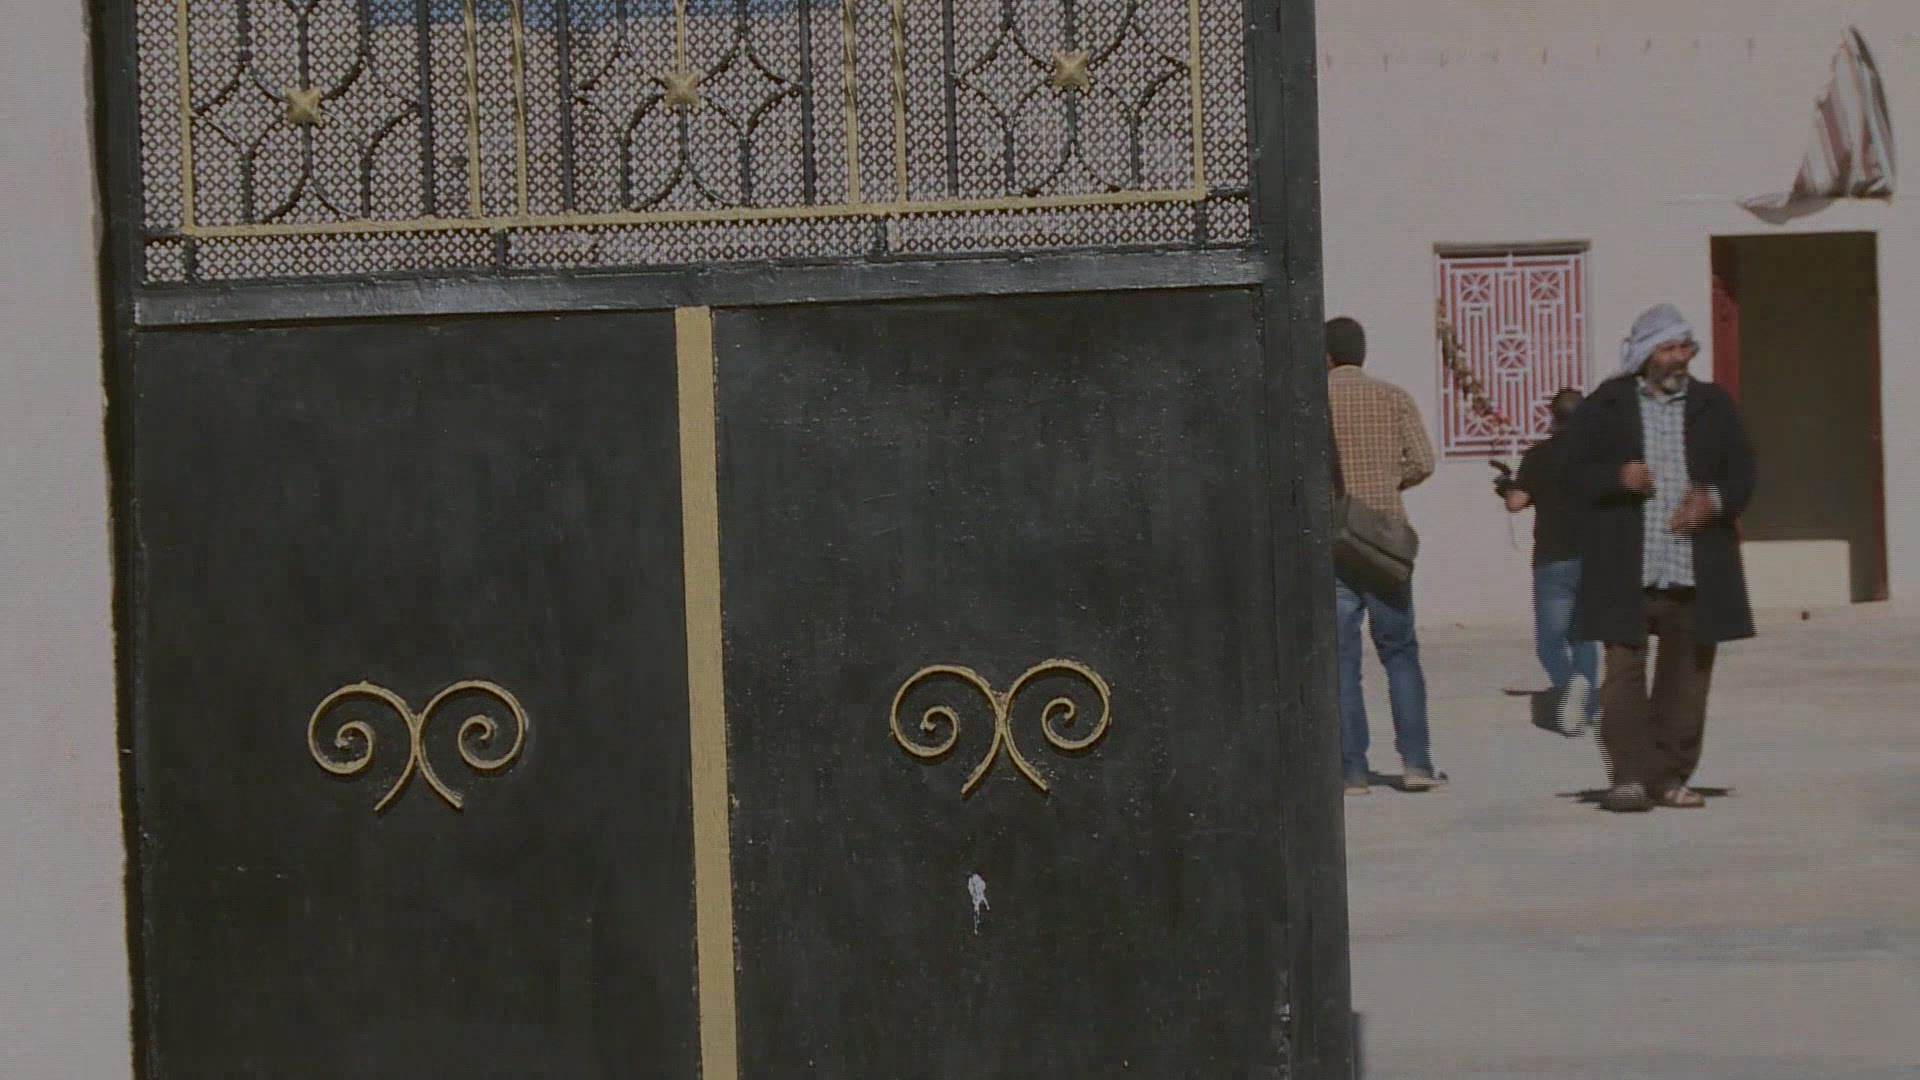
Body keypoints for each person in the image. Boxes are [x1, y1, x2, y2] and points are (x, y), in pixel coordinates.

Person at [1565, 303, 1756, 812]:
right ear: (1647, 354)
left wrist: (1714, 501)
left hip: (1694, 568)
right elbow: (1571, 473)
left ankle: (1668, 777)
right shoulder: (1607, 405)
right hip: (1626, 568)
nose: (1679, 358)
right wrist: (1616, 479)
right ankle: (1629, 777)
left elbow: (1744, 472)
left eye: (1685, 347)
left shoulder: (1714, 405)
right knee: (1622, 678)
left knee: (1686, 684)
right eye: (1669, 348)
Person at [1326, 316, 1441, 795]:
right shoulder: (1393, 397)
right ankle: (1416, 764)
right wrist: (1390, 485)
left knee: (1341, 658)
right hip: (1387, 540)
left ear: (1325, 356)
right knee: (1399, 653)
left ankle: (1353, 771)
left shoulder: (1312, 401)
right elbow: (1424, 461)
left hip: (1335, 542)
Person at [1495, 388, 1600, 736]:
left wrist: (1506, 485)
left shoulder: (1539, 456)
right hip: (1593, 557)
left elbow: (1516, 503)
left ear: (1553, 417)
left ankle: (1569, 686)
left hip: (1553, 558)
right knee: (1584, 637)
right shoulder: (1598, 456)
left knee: (1550, 641)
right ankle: (1587, 707)